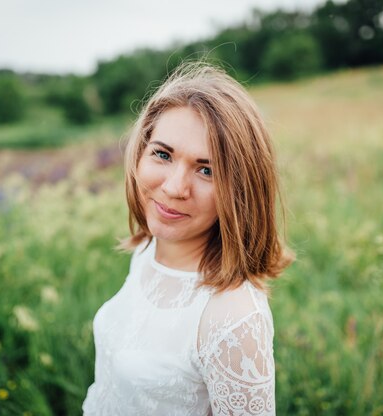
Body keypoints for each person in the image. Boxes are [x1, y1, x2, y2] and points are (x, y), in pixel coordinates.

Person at [82, 62, 293, 415]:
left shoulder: (232, 318)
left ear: (239, 191)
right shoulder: (150, 250)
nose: (175, 188)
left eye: (206, 170)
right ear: (140, 154)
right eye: (163, 155)